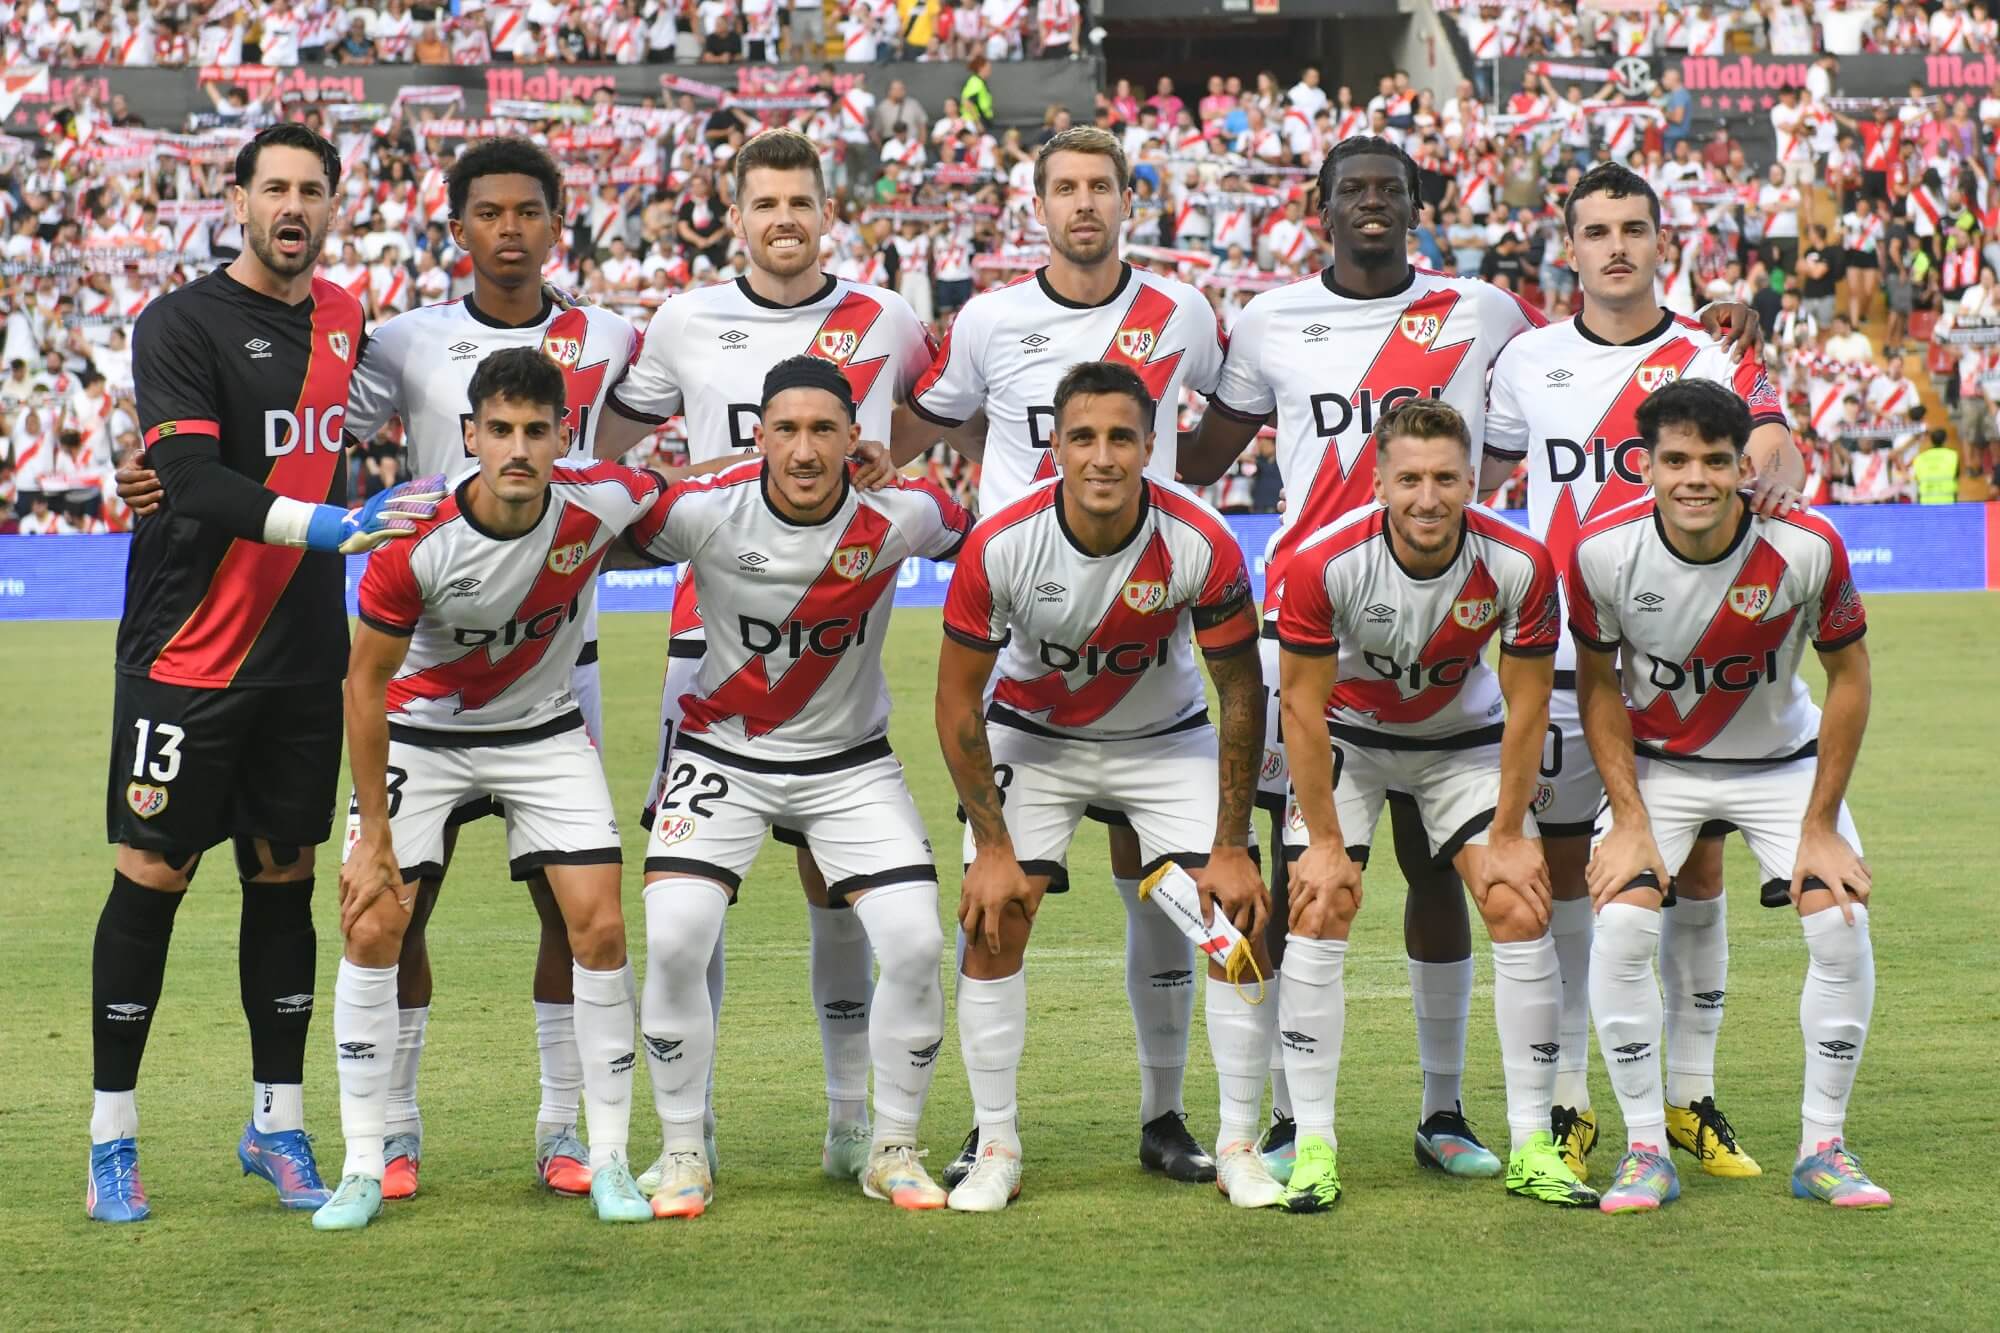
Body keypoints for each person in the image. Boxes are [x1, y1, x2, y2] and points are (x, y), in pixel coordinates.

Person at [1179, 135, 1766, 1187]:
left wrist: (1712, 326)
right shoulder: (1267, 319)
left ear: (1418, 205)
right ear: (1317, 208)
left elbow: (1593, 356)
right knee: (1299, 878)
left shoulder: (1487, 314)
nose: (1371, 204)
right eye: (1351, 190)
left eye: (1390, 190)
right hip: (1315, 627)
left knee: (1446, 877)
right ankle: (1280, 1119)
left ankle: (1445, 1109)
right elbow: (1199, 454)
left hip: (1451, 646)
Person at [114, 137, 645, 1202]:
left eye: (528, 212)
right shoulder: (399, 339)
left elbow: (668, 439)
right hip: (420, 665)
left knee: (574, 912)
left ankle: (564, 1129)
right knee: (396, 903)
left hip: (556, 668)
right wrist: (165, 469)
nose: (508, 229)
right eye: (487, 212)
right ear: (456, 228)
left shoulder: (617, 336)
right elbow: (291, 437)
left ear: (557, 223)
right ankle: (391, 1132)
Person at [87, 123, 442, 1223]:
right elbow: (191, 477)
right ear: (236, 200)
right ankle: (110, 1139)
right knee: (153, 876)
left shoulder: (345, 319)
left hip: (301, 658)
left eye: (312, 190)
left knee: (286, 878)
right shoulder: (179, 322)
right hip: (188, 651)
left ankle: (277, 1125)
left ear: (334, 207)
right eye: (274, 188)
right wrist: (335, 524)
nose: (293, 206)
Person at [890, 125, 1233, 1190]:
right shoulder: (989, 319)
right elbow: (931, 424)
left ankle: (1169, 1116)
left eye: (1101, 186)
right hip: (1027, 677)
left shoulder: (1181, 311)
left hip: (1152, 677)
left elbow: (1218, 427)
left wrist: (1170, 499)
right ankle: (989, 1130)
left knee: (1182, 908)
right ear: (1036, 205)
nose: (1084, 203)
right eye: (1065, 188)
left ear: (1129, 199)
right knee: (995, 906)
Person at [597, 128, 934, 1194]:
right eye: (765, 204)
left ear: (827, 214)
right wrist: (720, 479)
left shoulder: (887, 318)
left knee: (839, 889)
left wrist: (883, 468)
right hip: (710, 641)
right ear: (733, 216)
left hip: (837, 626)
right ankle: (688, 1135)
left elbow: (933, 433)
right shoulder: (683, 319)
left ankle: (854, 1125)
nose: (784, 220)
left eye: (800, 202)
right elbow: (607, 450)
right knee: (689, 913)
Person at [1482, 162, 1805, 1184]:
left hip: (1678, 665)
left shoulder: (1708, 350)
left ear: (1662, 241)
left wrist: (1772, 474)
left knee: (1694, 872)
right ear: (1569, 248)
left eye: (1633, 228)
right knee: (1567, 880)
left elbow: (1775, 445)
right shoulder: (1526, 359)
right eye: (1596, 230)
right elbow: (1484, 478)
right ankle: (1572, 1099)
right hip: (1560, 654)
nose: (1615, 246)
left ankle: (1688, 1094)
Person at [325, 348, 657, 1229]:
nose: (518, 448)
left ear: (562, 436)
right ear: (469, 435)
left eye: (536, 431)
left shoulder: (602, 499)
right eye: (500, 430)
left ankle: (592, 1148)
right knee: (376, 920)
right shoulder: (416, 533)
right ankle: (371, 1153)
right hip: (421, 732)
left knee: (600, 924)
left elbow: (696, 483)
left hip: (540, 730)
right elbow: (364, 684)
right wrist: (373, 837)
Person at [935, 360, 1278, 1212]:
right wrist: (992, 847)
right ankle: (994, 1142)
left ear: (1150, 446)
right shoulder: (1003, 541)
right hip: (1036, 738)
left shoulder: (1200, 539)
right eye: (1083, 437)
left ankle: (1232, 1142)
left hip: (1164, 740)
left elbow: (1241, 692)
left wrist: (1231, 845)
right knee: (994, 915)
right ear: (1053, 446)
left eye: (1121, 437)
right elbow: (955, 700)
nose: (1102, 456)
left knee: (1232, 923)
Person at [632, 356, 969, 1219]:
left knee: (916, 942)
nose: (806, 450)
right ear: (759, 437)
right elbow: (603, 517)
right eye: (786, 429)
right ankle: (683, 1151)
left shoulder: (901, 514)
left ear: (857, 437)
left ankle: (888, 1145)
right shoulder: (707, 510)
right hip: (722, 757)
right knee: (674, 936)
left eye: (825, 430)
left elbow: (975, 536)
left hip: (849, 763)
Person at [1569, 377, 1890, 1213]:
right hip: (1660, 766)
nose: (1697, 479)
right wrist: (1628, 817)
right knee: (1622, 923)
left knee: (1841, 921)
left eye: (1716, 461)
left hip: (1781, 764)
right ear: (1645, 465)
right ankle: (1647, 1148)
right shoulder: (1602, 552)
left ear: (1744, 465)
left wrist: (1821, 823)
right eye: (1677, 460)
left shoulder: (1807, 545)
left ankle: (1823, 1147)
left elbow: (1850, 676)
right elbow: (1597, 685)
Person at [1274, 397, 1589, 1211]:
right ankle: (1311, 1141)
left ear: (1472, 481)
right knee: (1320, 898)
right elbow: (1301, 707)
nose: (1428, 497)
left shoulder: (1518, 562)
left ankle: (1529, 1141)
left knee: (1518, 898)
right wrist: (1323, 843)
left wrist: (1511, 831)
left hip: (1459, 739)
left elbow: (1528, 703)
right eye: (1410, 478)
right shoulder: (1323, 563)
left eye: (1446, 479)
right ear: (1379, 483)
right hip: (1350, 734)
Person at [1912, 427, 1961, 503]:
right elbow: (1957, 475)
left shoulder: (1920, 458)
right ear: (1945, 440)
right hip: (1947, 500)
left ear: (1931, 440)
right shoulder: (1952, 455)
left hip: (1926, 501)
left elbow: (1917, 479)